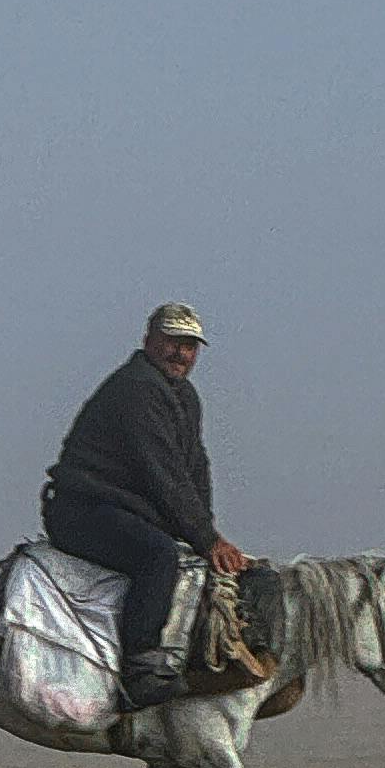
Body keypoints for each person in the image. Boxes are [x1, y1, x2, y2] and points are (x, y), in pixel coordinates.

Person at [41, 304, 248, 710]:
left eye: (190, 346)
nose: (181, 354)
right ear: (149, 341)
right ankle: (139, 667)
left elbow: (194, 467)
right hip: (82, 509)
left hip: (124, 509)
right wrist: (205, 538)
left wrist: (207, 533)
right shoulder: (137, 388)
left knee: (194, 557)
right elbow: (162, 473)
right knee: (158, 556)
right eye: (173, 342)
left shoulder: (183, 395)